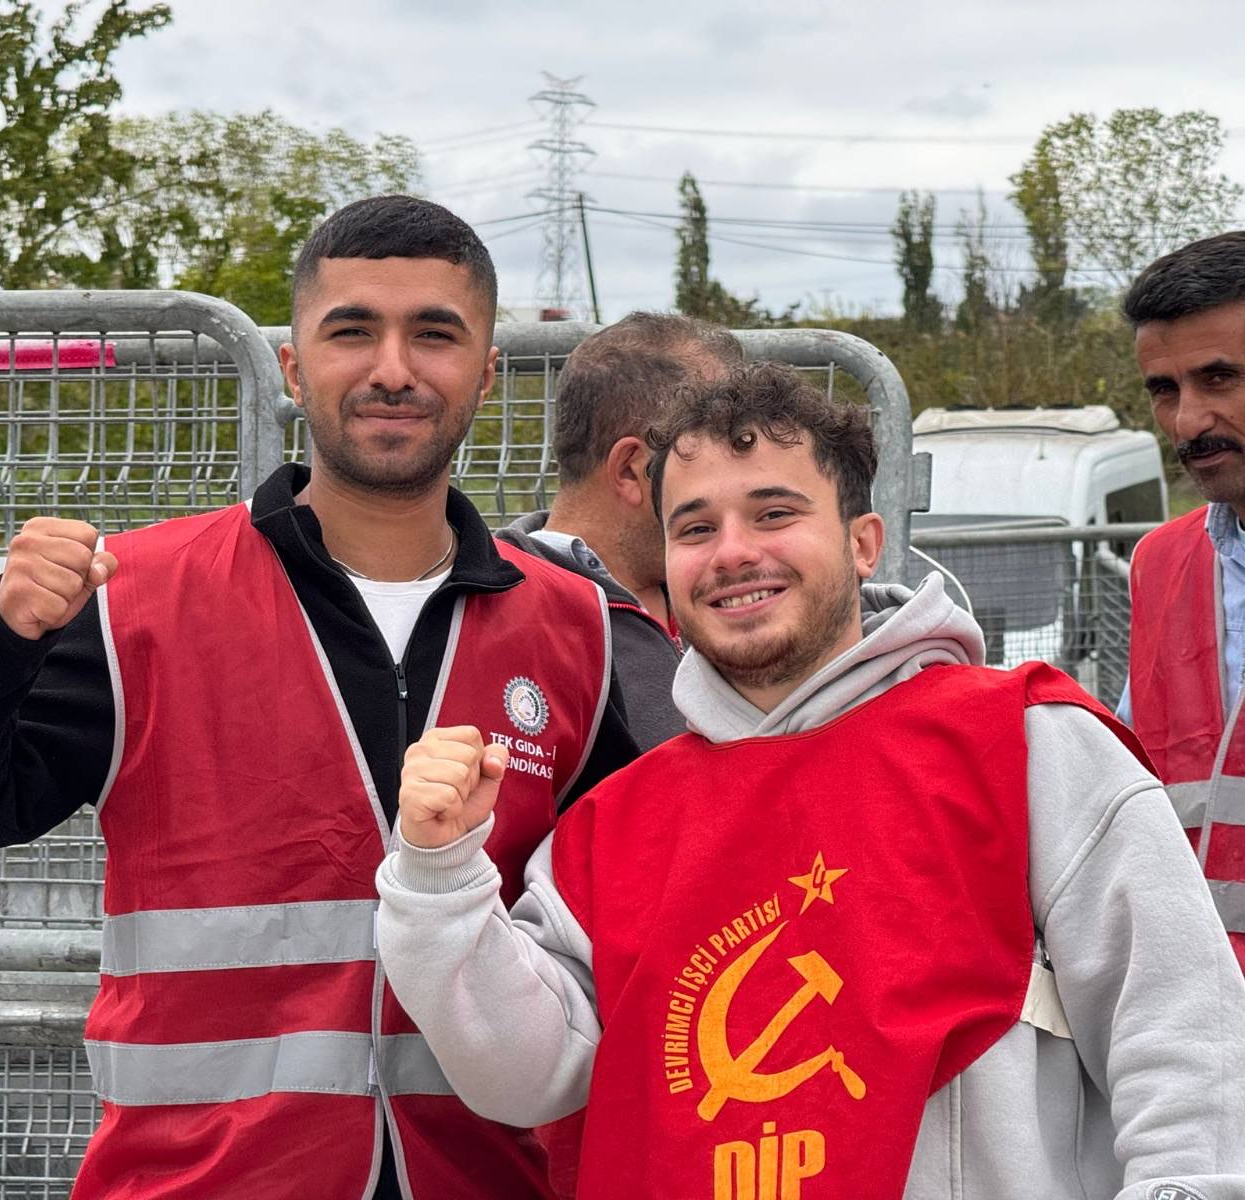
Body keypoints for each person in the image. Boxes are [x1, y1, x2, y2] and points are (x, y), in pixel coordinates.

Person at [0, 194, 639, 1200]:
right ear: (291, 365)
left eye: (434, 336)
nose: (393, 369)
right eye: (351, 330)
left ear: (487, 372)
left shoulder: (576, 626)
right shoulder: (135, 599)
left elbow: (636, 931)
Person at [377, 363, 1245, 1198]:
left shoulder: (1025, 744)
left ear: (864, 543)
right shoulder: (617, 827)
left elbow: (1184, 1031)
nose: (734, 553)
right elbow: (524, 1077)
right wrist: (440, 874)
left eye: (774, 512)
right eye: (696, 528)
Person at [498, 313, 743, 749]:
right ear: (634, 470)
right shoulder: (497, 617)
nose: (739, 476)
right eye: (719, 450)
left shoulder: (725, 588)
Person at [1120, 230, 1245, 972]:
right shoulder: (1160, 566)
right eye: (1164, 391)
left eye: (1220, 378)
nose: (1187, 422)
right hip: (1203, 1022)